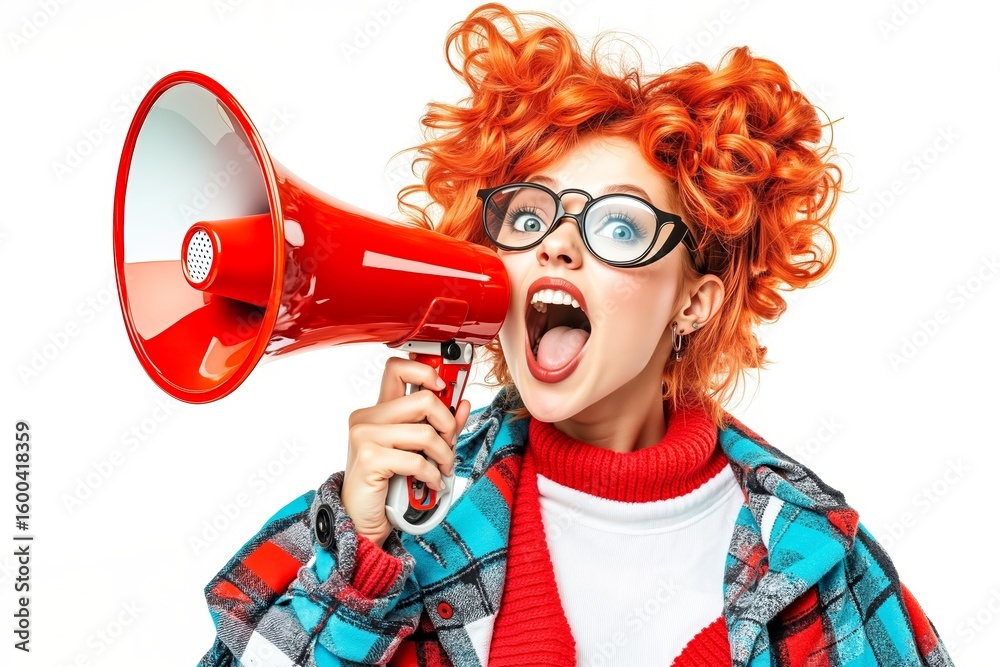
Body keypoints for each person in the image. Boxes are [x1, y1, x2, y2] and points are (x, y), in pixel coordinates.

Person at [197, 4, 953, 666]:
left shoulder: (813, 557)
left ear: (694, 301)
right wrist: (357, 564)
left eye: (619, 225)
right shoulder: (394, 523)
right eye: (529, 218)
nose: (556, 244)